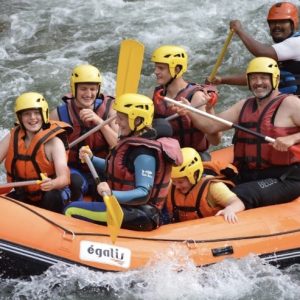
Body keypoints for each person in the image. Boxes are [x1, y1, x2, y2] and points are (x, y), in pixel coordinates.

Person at [183, 57, 300, 209]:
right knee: (202, 174)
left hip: (284, 177)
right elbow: (211, 126)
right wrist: (189, 111)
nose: (258, 82)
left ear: (275, 79)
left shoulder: (290, 103)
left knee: (240, 193)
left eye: (264, 77)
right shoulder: (244, 105)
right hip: (247, 173)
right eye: (253, 78)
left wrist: (293, 138)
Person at [64, 93, 183, 231]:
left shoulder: (144, 154)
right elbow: (116, 169)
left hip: (141, 214)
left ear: (137, 120)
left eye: (121, 118)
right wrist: (91, 159)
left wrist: (112, 194)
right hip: (126, 208)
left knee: (70, 210)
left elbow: (143, 193)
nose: (116, 122)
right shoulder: (132, 143)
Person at [50, 64, 118, 201]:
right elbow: (47, 150)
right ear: (74, 89)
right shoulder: (58, 115)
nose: (88, 94)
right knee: (75, 182)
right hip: (76, 170)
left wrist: (99, 122)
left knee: (112, 185)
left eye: (93, 89)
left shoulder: (110, 110)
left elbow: (118, 146)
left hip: (103, 168)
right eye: (83, 89)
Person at [0, 92, 72, 213]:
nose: (33, 117)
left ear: (44, 114)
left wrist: (53, 183)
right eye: (27, 114)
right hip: (24, 194)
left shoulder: (54, 143)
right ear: (20, 117)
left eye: (37, 113)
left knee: (52, 196)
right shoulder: (13, 136)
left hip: (52, 194)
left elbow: (64, 177)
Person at [211, 2, 300, 95]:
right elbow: (258, 77)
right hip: (284, 102)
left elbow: (261, 52)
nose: (277, 25)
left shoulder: (297, 43)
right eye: (273, 22)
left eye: (282, 21)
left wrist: (239, 30)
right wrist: (221, 80)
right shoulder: (281, 50)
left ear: (294, 24)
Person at [151, 45, 221, 160]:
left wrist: (195, 112)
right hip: (166, 157)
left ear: (177, 69)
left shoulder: (197, 97)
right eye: (156, 67)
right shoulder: (155, 94)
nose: (156, 72)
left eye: (161, 68)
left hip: (194, 158)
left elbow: (215, 140)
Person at [167, 147, 245, 223]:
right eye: (174, 181)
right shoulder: (170, 186)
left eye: (181, 182)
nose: (176, 186)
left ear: (194, 175)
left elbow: (238, 202)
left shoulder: (213, 187)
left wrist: (230, 209)